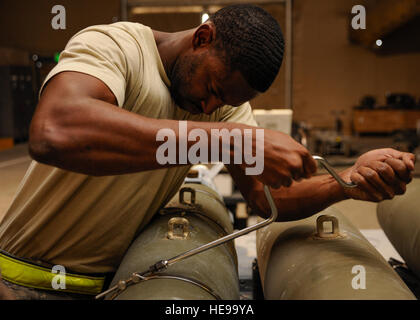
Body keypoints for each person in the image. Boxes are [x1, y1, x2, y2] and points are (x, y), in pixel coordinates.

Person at [0, 4, 415, 299]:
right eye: (213, 88)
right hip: (18, 279)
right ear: (202, 38)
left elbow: (266, 198)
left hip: (105, 285)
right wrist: (229, 139)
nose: (209, 108)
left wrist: (348, 184)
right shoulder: (119, 47)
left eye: (222, 103)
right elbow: (54, 130)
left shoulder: (228, 108)